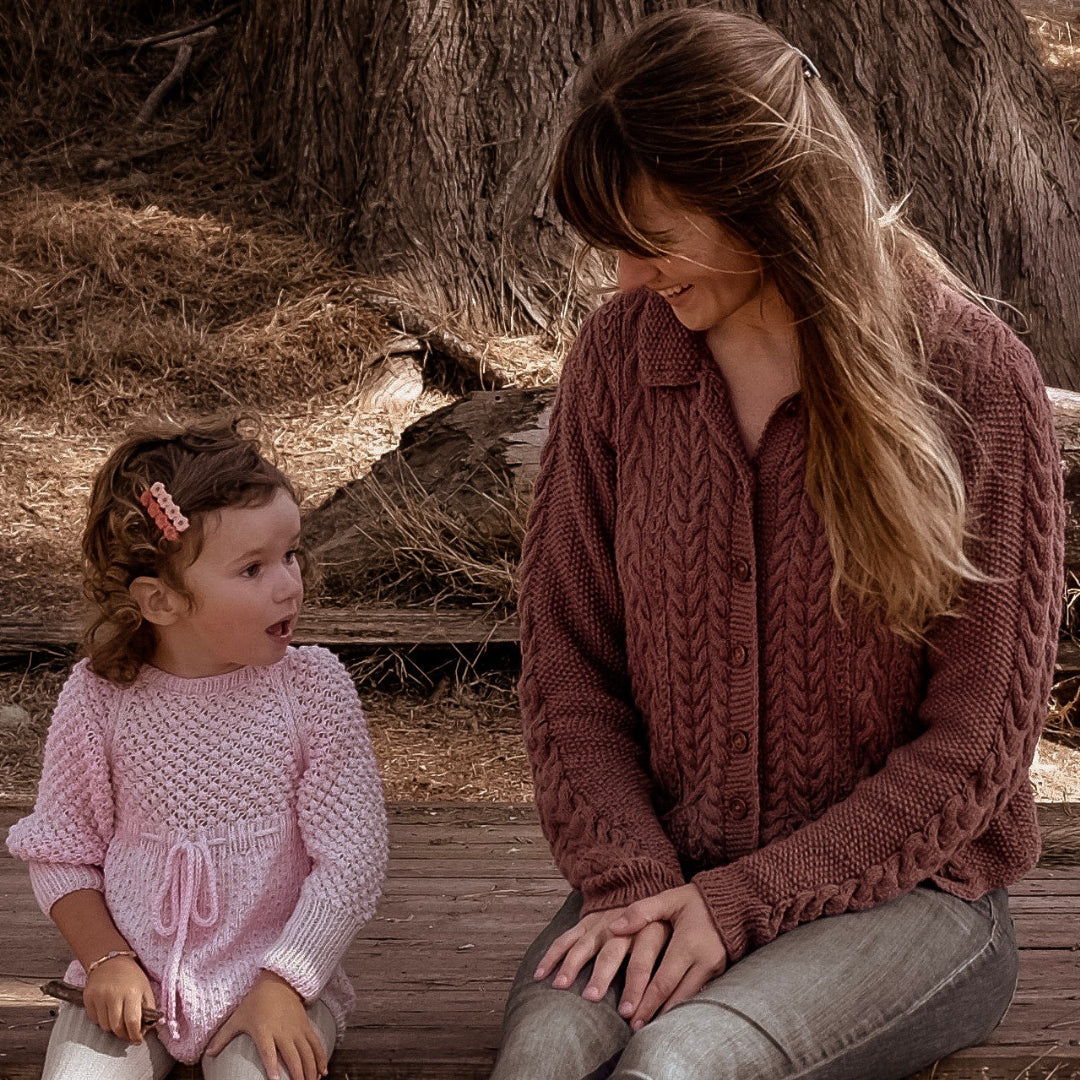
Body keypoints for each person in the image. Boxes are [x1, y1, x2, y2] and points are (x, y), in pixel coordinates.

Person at [492, 9, 1065, 1080]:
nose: (622, 278)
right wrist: (627, 878)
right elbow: (570, 661)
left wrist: (744, 903)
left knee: (681, 1065)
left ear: (755, 197)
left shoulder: (971, 378)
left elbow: (977, 743)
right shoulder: (622, 361)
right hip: (660, 879)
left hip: (914, 901)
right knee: (547, 1056)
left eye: (647, 240)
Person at [7, 419, 388, 1080]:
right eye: (253, 568)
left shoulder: (313, 691)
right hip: (131, 986)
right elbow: (61, 853)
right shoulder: (100, 698)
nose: (288, 584)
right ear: (160, 600)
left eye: (290, 554)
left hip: (276, 982)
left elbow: (352, 860)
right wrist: (107, 961)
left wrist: (285, 983)